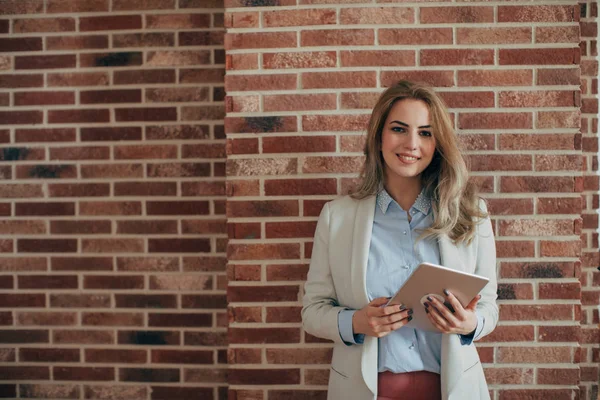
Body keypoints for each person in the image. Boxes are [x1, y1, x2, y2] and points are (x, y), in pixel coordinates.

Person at [301, 80, 498, 400]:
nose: (411, 143)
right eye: (399, 129)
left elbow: (489, 306)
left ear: (437, 144)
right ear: (379, 136)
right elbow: (312, 312)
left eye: (425, 132)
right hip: (364, 390)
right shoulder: (337, 217)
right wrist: (358, 322)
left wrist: (469, 324)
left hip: (453, 389)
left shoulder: (471, 213)